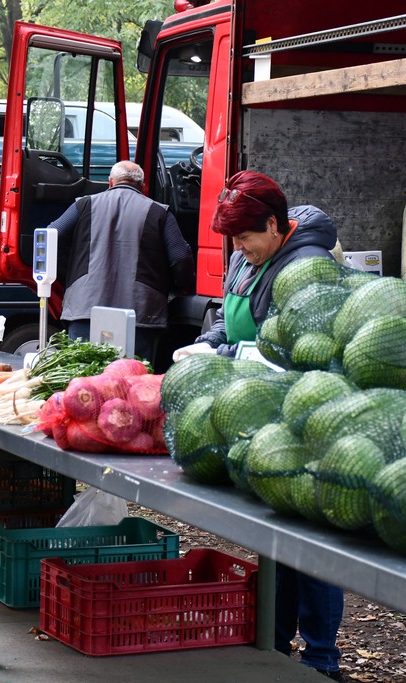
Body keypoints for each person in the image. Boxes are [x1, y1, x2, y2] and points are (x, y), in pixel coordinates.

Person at [175, 170, 345, 680]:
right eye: (233, 241)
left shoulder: (308, 268)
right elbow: (231, 316)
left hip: (302, 415)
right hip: (256, 412)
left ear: (274, 225)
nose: (239, 248)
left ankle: (321, 659)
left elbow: (292, 348)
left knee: (311, 544)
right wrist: (209, 340)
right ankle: (274, 644)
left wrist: (222, 352)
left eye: (246, 238)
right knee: (274, 538)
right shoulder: (246, 255)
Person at [48, 160, 195, 362]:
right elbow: (180, 257)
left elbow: (50, 236)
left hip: (85, 311)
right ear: (142, 187)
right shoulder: (159, 212)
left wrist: (71, 277)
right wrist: (179, 288)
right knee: (132, 383)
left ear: (110, 182)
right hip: (141, 315)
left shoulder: (83, 204)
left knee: (82, 382)